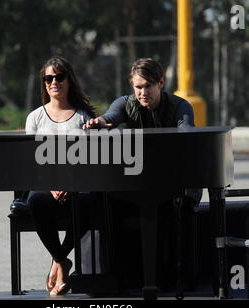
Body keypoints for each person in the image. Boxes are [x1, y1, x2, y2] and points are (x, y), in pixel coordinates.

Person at [84, 57, 202, 293]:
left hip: (173, 183)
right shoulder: (125, 103)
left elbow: (186, 135)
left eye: (148, 86)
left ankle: (181, 279)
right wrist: (100, 122)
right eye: (138, 87)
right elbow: (111, 117)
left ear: (161, 83)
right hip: (138, 185)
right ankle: (119, 279)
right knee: (107, 205)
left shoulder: (181, 106)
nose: (143, 92)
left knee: (182, 212)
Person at [25, 56, 95, 295]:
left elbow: (91, 159)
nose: (54, 82)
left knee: (89, 203)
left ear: (69, 80)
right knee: (35, 200)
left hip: (79, 184)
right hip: (46, 184)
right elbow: (32, 160)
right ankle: (62, 260)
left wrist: (70, 184)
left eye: (59, 77)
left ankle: (59, 261)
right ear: (44, 83)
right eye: (48, 78)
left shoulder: (84, 116)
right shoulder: (35, 118)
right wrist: (52, 184)